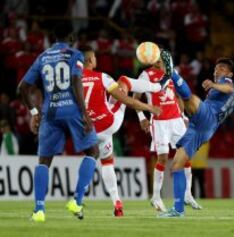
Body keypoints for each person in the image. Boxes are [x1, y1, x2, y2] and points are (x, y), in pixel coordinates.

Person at [158, 53, 234, 217]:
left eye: (222, 69)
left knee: (190, 99)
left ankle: (172, 73)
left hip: (207, 118)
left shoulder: (227, 83)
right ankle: (178, 209)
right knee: (176, 166)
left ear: (230, 74)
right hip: (200, 129)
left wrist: (213, 85)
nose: (217, 71)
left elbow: (229, 88)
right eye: (216, 69)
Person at [18, 22, 100, 222]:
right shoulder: (75, 54)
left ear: (54, 38)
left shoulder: (42, 57)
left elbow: (22, 87)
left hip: (50, 113)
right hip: (72, 110)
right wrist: (85, 114)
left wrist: (34, 112)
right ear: (71, 38)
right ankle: (76, 201)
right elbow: (75, 81)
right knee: (93, 151)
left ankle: (39, 211)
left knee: (44, 161)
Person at [80, 45, 162, 216]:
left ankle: (117, 203)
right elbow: (127, 101)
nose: (96, 59)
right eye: (94, 57)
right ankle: (158, 86)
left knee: (106, 161)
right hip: (109, 123)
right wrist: (149, 108)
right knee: (124, 80)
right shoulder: (101, 77)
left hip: (89, 130)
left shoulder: (73, 81)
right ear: (89, 61)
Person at [134, 53, 202, 212]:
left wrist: (183, 116)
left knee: (186, 155)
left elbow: (179, 96)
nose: (158, 63)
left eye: (161, 60)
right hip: (159, 122)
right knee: (163, 158)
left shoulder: (172, 72)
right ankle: (156, 196)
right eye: (156, 60)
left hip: (176, 121)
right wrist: (141, 116)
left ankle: (188, 194)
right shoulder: (146, 75)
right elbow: (136, 96)